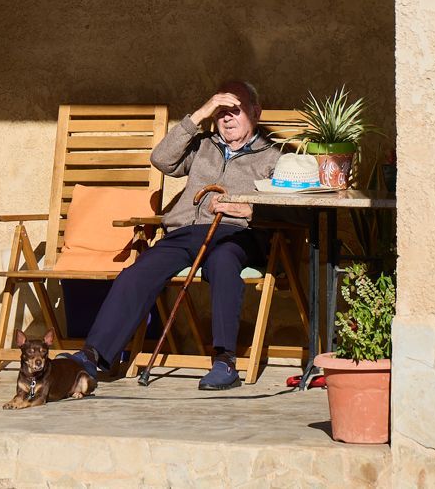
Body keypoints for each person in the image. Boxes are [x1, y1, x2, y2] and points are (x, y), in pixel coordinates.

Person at [64, 80, 281, 391]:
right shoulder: (204, 145)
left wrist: (247, 209)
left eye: (235, 110)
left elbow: (291, 210)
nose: (226, 118)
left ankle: (224, 361)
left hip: (235, 234)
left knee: (223, 263)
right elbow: (161, 159)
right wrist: (200, 113)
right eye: (220, 112)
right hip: (185, 232)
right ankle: (92, 356)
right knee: (137, 272)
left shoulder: (273, 156)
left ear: (256, 113)